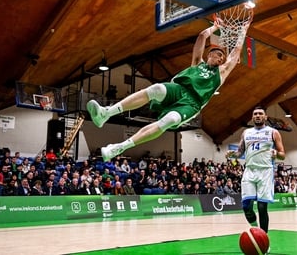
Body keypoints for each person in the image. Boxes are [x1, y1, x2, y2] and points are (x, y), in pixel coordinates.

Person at [88, 20, 247, 161]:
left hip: (191, 103)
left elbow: (235, 53)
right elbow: (201, 37)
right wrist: (214, 28)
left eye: (220, 54)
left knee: (168, 121)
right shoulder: (198, 63)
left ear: (221, 60)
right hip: (178, 88)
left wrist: (243, 31)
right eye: (213, 52)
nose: (216, 55)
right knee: (156, 88)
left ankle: (118, 148)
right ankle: (106, 113)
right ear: (209, 54)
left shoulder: (221, 72)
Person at [226, 106, 285, 237]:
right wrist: (233, 154)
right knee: (246, 207)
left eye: (260, 114)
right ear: (252, 118)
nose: (258, 116)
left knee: (262, 208)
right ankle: (256, 231)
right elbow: (240, 152)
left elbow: (283, 154)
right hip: (249, 171)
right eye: (255, 114)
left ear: (265, 117)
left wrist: (276, 153)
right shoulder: (246, 133)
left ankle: (264, 238)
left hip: (265, 172)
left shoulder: (273, 132)